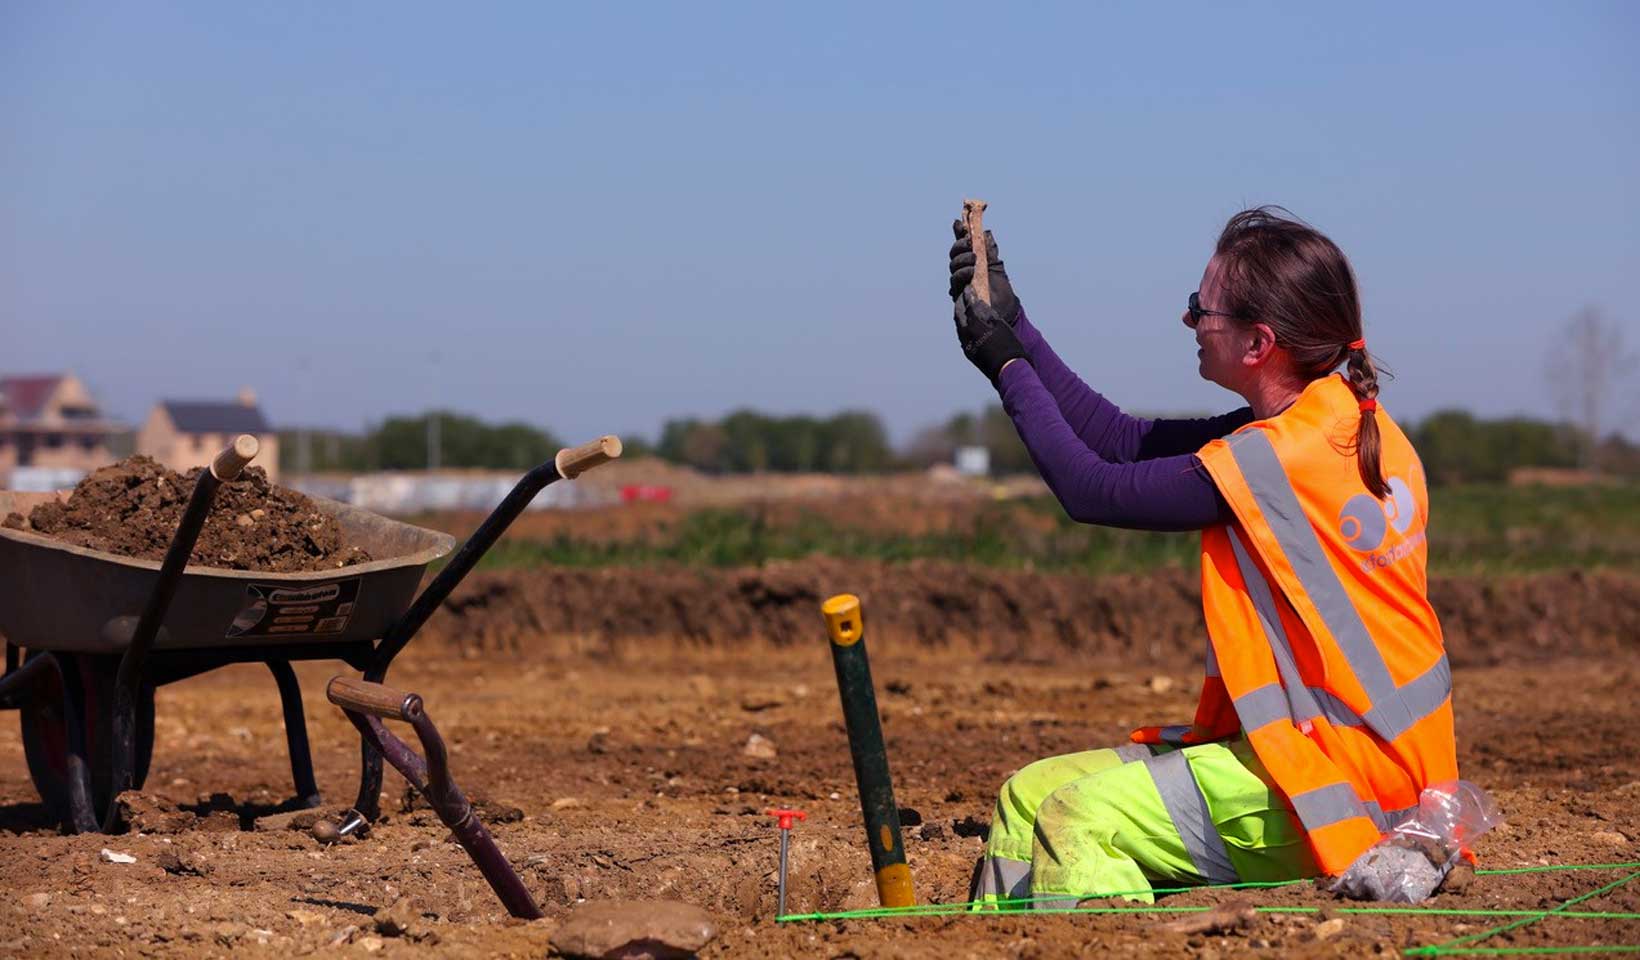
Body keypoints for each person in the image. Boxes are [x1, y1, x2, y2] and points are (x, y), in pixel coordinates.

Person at [948, 207, 1457, 906]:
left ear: (1258, 342)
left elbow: (1091, 488)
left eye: (1201, 308)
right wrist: (1016, 324)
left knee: (1078, 819)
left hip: (1343, 786)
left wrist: (1002, 361)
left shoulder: (1282, 457)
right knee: (1027, 795)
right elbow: (1123, 440)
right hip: (1330, 756)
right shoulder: (1325, 419)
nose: (1189, 321)